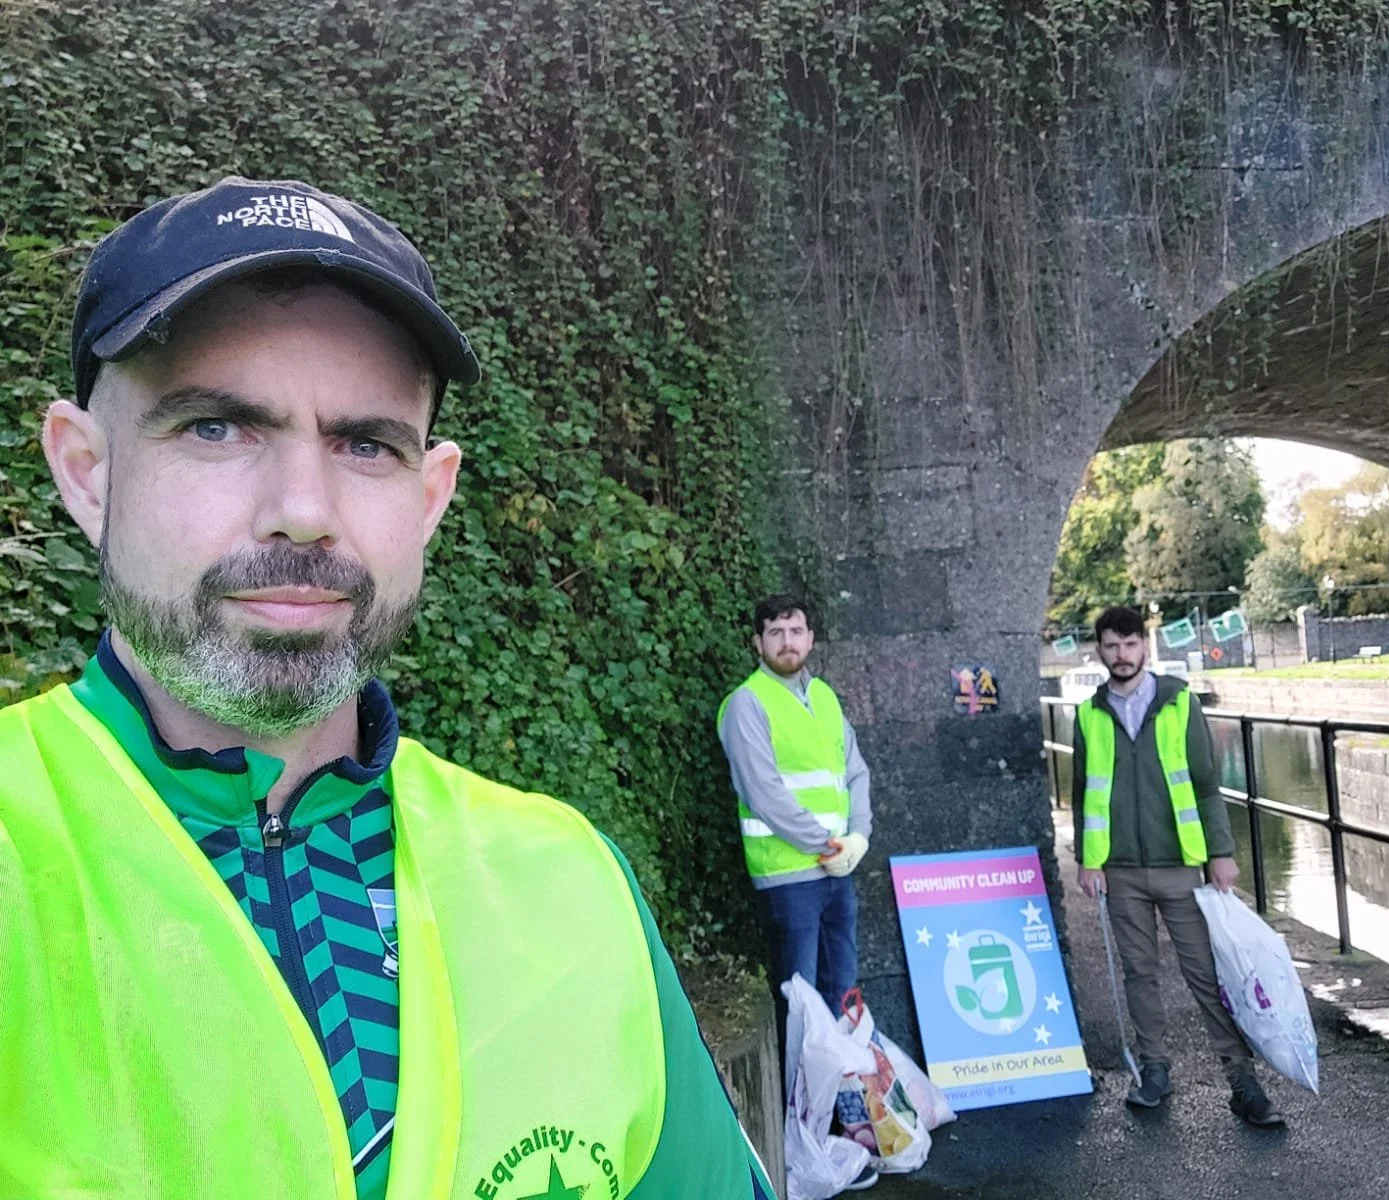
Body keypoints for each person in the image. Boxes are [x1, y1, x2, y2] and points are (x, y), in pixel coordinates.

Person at [0, 177, 776, 1199]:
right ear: (85, 472)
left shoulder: (574, 883)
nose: (303, 512)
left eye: (365, 444)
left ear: (429, 496)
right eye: (216, 428)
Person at [1072, 605, 1285, 1127]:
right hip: (1119, 870)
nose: (1121, 655)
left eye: (1129, 644)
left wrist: (1221, 851)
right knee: (1139, 974)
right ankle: (1154, 1070)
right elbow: (1083, 796)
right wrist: (1086, 860)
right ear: (1098, 650)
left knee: (1207, 976)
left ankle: (1242, 1081)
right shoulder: (1087, 714)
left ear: (1144, 647)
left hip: (1181, 866)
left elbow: (1206, 784)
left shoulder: (1179, 703)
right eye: (1110, 646)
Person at [717, 595, 877, 1189]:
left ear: (811, 638)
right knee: (801, 1011)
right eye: (775, 632)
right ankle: (801, 1144)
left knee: (838, 998)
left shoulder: (827, 698)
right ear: (757, 642)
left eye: (797, 630)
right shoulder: (747, 704)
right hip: (791, 880)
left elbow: (854, 771)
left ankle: (841, 1130)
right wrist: (827, 845)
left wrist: (858, 837)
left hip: (838, 872)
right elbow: (764, 792)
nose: (787, 641)